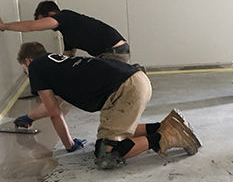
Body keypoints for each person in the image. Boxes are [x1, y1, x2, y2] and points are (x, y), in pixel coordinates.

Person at [12, 42, 201, 170]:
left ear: (28, 62)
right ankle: (165, 126)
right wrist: (29, 118)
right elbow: (54, 105)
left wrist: (69, 146)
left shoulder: (36, 68)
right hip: (135, 80)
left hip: (123, 90)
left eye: (24, 69)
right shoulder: (56, 65)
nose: (28, 73)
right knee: (119, 128)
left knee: (107, 154)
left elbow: (55, 114)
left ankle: (168, 136)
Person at [0, 1, 132, 63]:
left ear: (50, 14)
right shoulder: (68, 33)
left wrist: (4, 26)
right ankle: (133, 72)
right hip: (115, 51)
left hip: (114, 52)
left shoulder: (64, 17)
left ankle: (135, 73)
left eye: (42, 20)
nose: (43, 25)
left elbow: (31, 26)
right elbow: (66, 58)